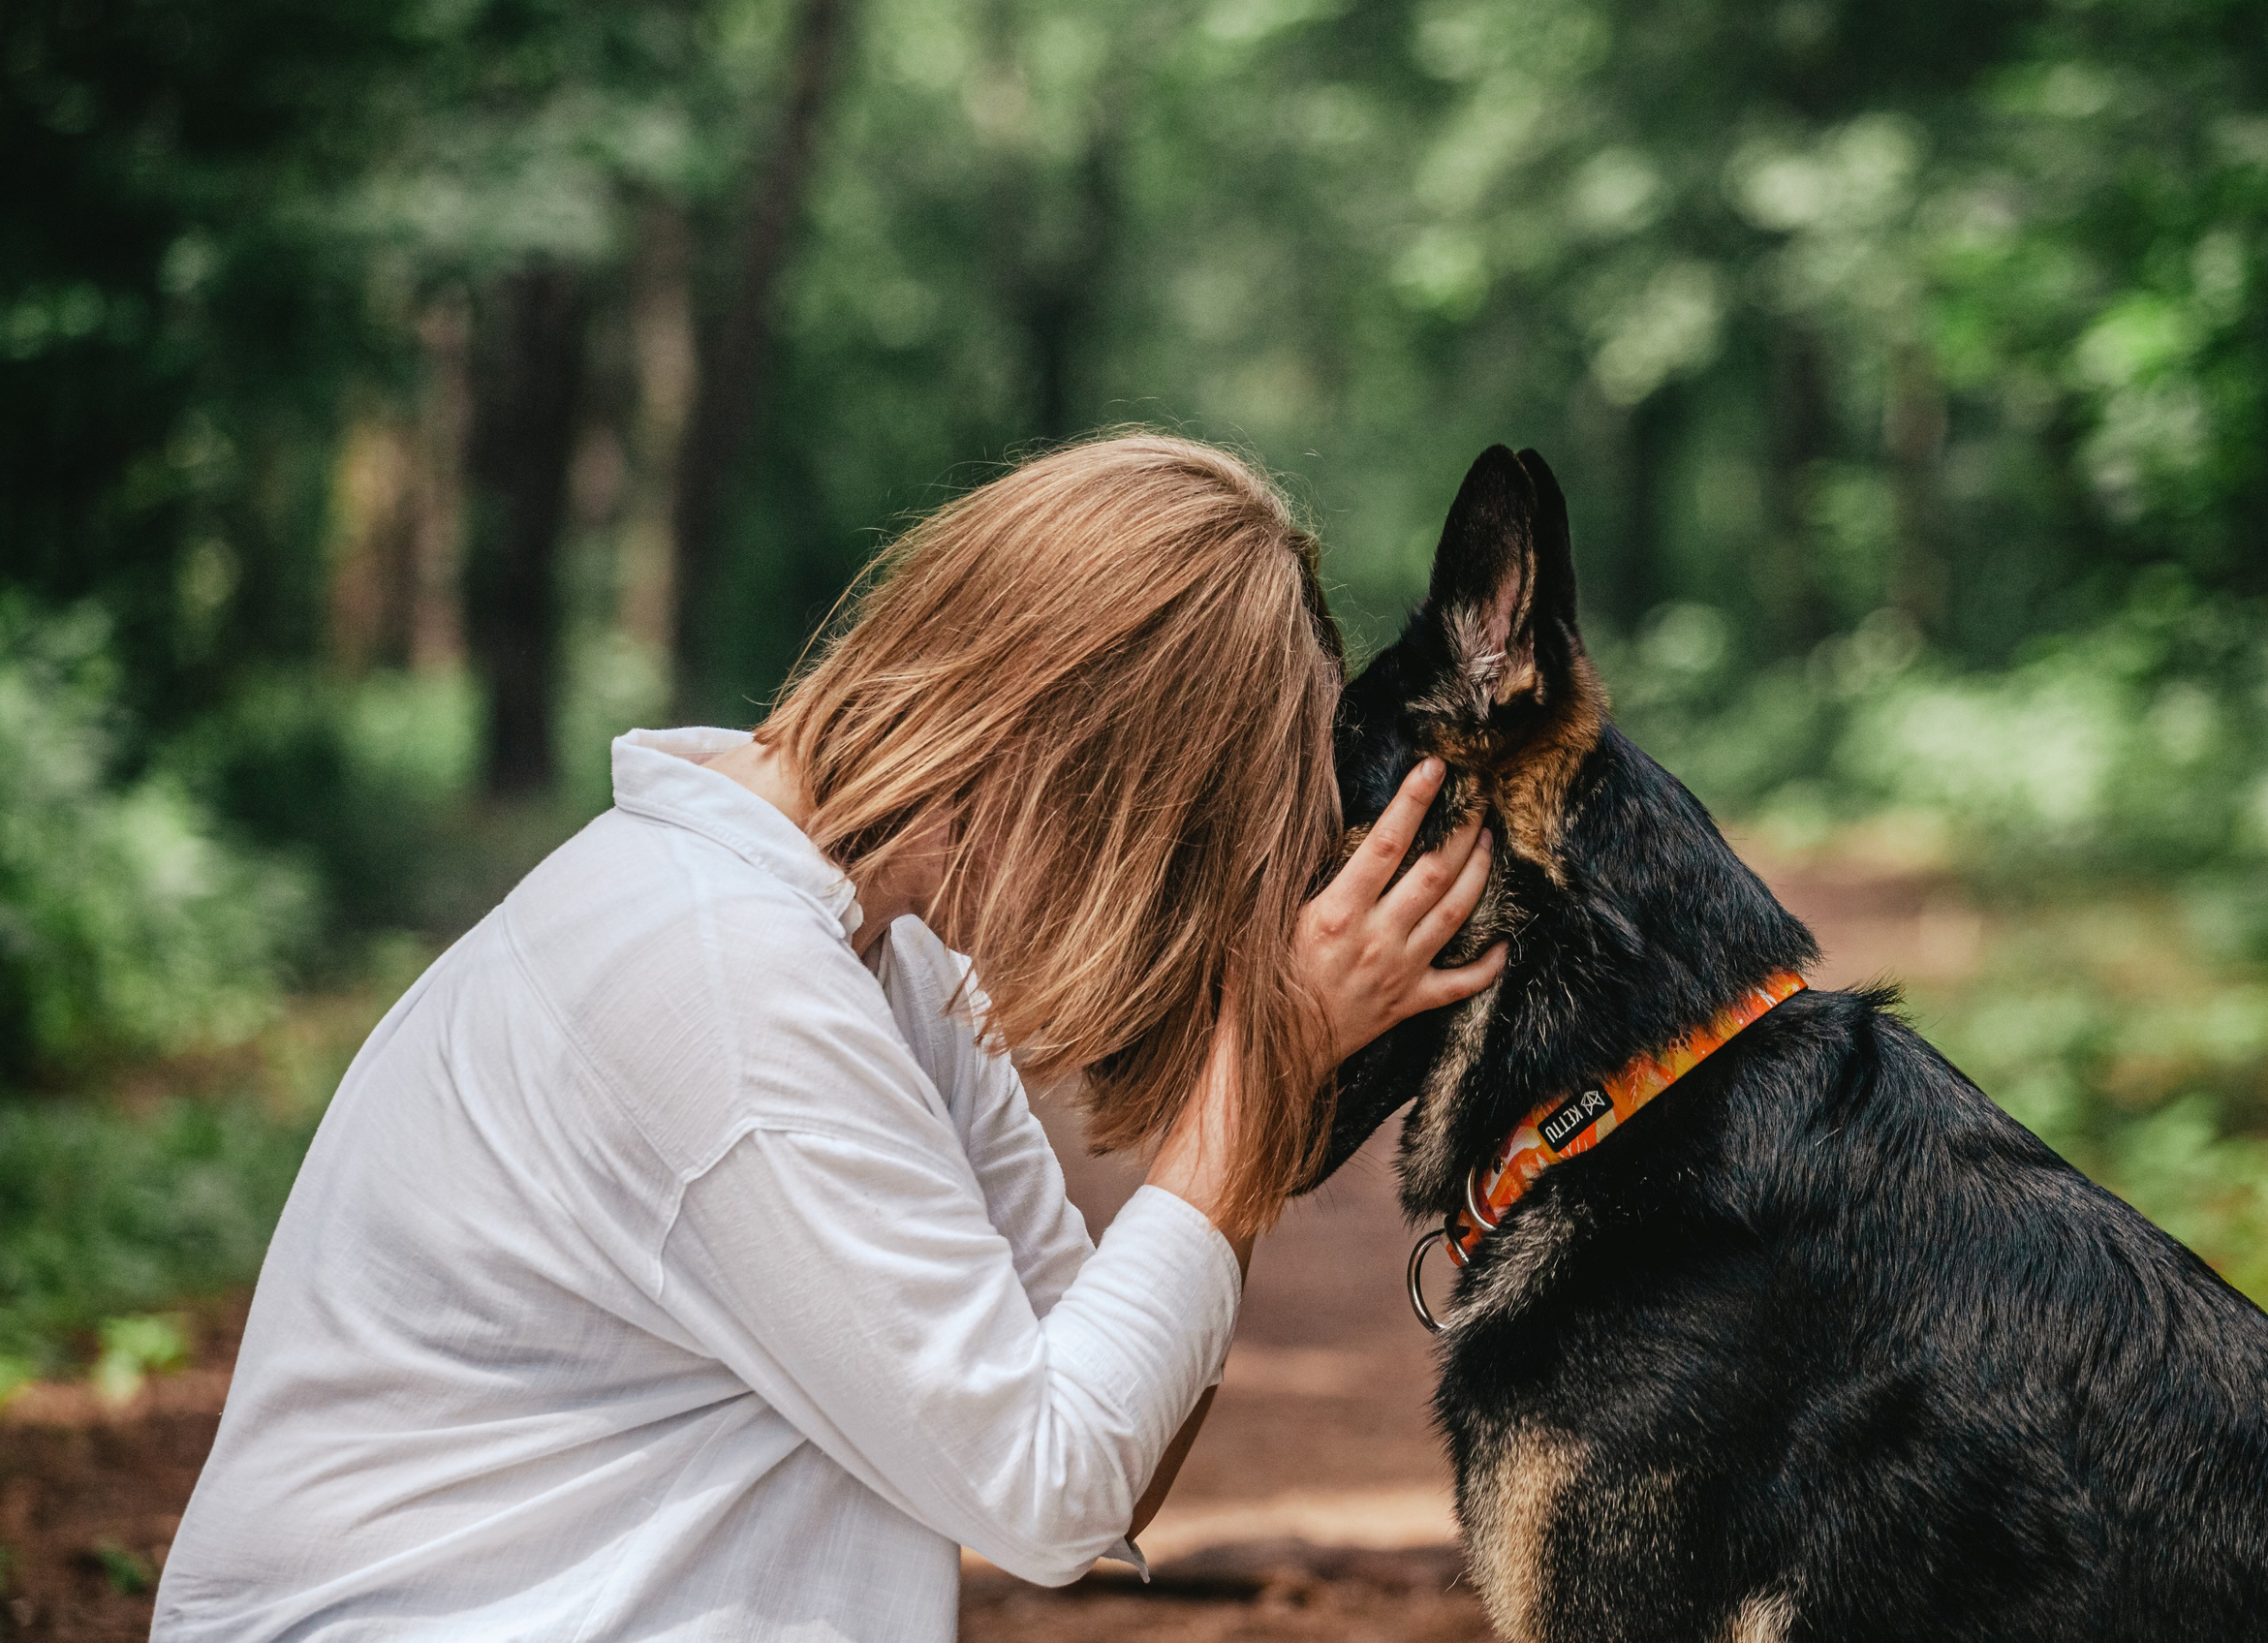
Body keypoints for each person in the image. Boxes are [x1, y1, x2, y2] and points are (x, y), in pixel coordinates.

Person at [154, 434, 1505, 1641]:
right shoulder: (721, 981)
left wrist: (1257, 1121)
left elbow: (1105, 1462)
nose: (1157, 905)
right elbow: (1043, 1489)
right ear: (1064, 736)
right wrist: (1258, 1070)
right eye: (1170, 846)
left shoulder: (886, 964)